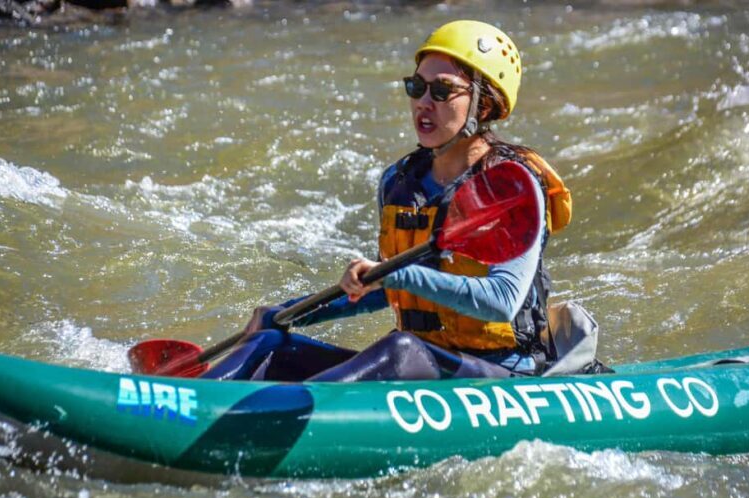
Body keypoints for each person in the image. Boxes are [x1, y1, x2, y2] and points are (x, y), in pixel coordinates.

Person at [203, 20, 572, 382]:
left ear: (485, 106)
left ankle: (284, 412)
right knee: (269, 344)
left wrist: (397, 274)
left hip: (501, 371)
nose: (423, 103)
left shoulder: (511, 187)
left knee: (400, 347)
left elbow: (502, 300)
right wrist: (292, 313)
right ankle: (189, 396)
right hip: (422, 361)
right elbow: (386, 289)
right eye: (416, 87)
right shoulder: (400, 182)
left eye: (441, 91)